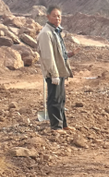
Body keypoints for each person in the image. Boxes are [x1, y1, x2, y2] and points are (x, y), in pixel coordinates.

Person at [37, 5, 77, 133]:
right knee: (54, 99)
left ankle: (63, 124)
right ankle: (56, 126)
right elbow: (48, 56)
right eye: (54, 16)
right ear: (48, 17)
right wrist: (54, 74)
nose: (57, 18)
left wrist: (69, 54)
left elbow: (59, 52)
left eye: (59, 16)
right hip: (54, 72)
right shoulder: (46, 33)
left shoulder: (56, 31)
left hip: (60, 71)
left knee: (61, 99)